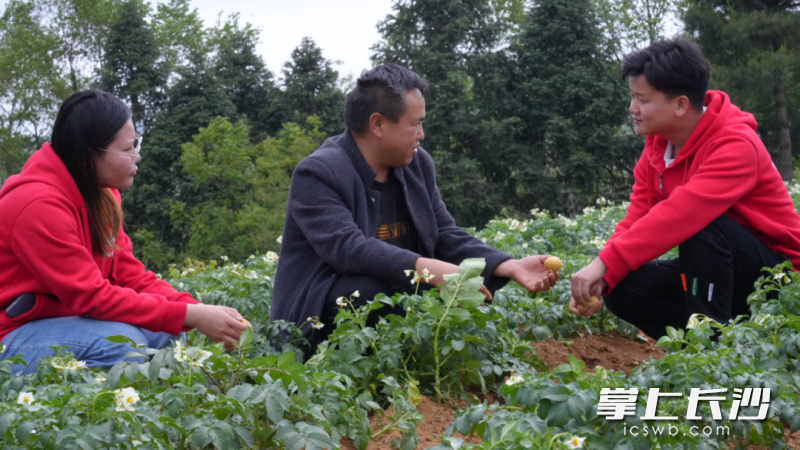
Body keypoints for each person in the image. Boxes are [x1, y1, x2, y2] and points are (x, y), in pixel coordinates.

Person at [272, 64, 558, 350]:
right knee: (370, 293)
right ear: (378, 124)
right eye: (415, 124)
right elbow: (348, 248)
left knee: (445, 297)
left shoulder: (417, 165)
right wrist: (428, 269)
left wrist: (507, 264)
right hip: (318, 318)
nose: (421, 134)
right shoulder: (319, 172)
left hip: (401, 294)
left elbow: (443, 232)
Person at [0, 90, 247, 374]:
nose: (137, 156)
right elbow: (92, 297)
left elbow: (132, 278)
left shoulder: (103, 195)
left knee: (168, 332)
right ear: (91, 154)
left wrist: (195, 310)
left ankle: (149, 406)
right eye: (128, 148)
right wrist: (191, 314)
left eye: (136, 144)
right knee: (122, 345)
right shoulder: (36, 206)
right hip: (11, 333)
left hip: (64, 320)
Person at [569, 39, 800, 338]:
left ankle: (714, 351)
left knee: (701, 226)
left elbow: (682, 214)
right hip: (722, 270)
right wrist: (605, 277)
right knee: (624, 288)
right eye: (632, 97)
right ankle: (713, 344)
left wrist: (602, 263)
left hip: (779, 278)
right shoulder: (657, 149)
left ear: (680, 104)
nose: (633, 108)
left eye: (642, 99)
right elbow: (638, 217)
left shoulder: (736, 144)